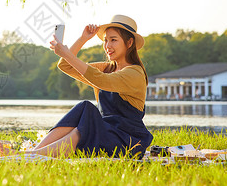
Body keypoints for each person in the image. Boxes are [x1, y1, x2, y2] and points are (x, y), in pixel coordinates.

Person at [28, 15, 153, 158]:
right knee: (85, 107)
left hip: (126, 142)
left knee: (85, 124)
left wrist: (66, 53)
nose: (108, 46)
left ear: (129, 43)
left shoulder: (134, 73)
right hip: (105, 132)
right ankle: (34, 152)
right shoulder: (107, 68)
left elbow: (102, 81)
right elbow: (65, 66)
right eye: (106, 40)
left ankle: (33, 155)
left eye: (113, 40)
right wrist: (83, 39)